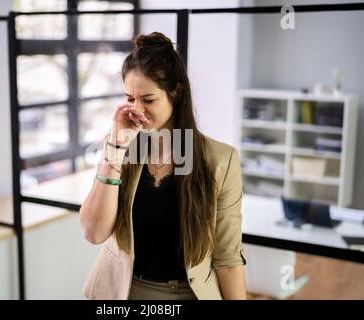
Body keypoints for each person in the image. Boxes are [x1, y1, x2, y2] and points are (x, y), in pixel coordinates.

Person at [79, 31, 247, 300]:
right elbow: (94, 232)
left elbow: (227, 258)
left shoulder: (220, 160)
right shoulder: (121, 148)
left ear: (176, 93)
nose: (137, 110)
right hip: (124, 292)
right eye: (130, 98)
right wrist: (115, 151)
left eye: (148, 100)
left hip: (188, 293)